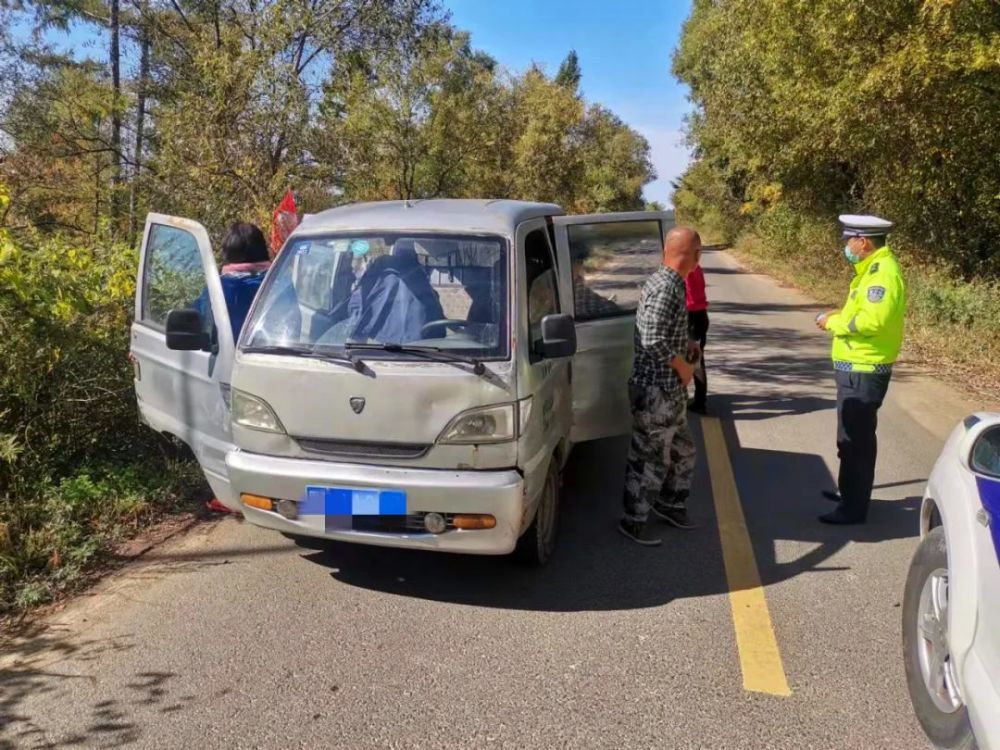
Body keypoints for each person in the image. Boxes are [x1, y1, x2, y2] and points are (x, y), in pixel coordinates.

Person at [815, 214, 907, 525]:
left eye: (849, 240)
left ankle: (853, 510)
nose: (846, 245)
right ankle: (850, 493)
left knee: (856, 441)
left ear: (863, 242)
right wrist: (838, 314)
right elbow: (862, 312)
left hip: (864, 367)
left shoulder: (882, 274)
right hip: (856, 366)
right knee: (849, 437)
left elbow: (872, 321)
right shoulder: (870, 270)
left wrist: (833, 323)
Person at [619, 226, 702, 546]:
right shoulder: (666, 286)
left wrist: (688, 342)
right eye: (699, 252)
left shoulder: (671, 282)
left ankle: (670, 503)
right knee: (649, 457)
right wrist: (683, 366)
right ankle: (634, 520)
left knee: (683, 451)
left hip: (669, 391)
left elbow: (662, 330)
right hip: (656, 391)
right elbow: (652, 339)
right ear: (691, 253)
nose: (700, 258)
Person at [193, 221, 272, 341]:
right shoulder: (279, 283)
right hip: (278, 356)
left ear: (227, 253)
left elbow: (197, 323)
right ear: (263, 251)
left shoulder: (218, 289)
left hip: (226, 358)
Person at [685, 261, 709, 413]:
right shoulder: (696, 266)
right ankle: (700, 398)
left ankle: (700, 402)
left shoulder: (684, 268)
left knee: (695, 362)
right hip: (700, 316)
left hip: (692, 317)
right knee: (696, 360)